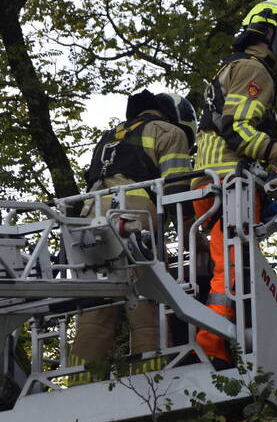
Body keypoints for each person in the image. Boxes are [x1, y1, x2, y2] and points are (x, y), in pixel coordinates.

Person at [191, 0, 277, 365]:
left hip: (215, 184)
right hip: (228, 185)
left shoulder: (234, 69)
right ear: (268, 32)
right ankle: (212, 349)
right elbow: (238, 130)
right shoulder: (253, 70)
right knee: (233, 267)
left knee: (227, 264)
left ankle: (220, 343)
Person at [70, 89, 196, 377]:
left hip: (87, 222)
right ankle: (151, 380)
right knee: (148, 304)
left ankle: (78, 384)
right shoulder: (170, 132)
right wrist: (193, 237)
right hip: (133, 218)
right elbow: (177, 192)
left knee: (95, 310)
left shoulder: (109, 136)